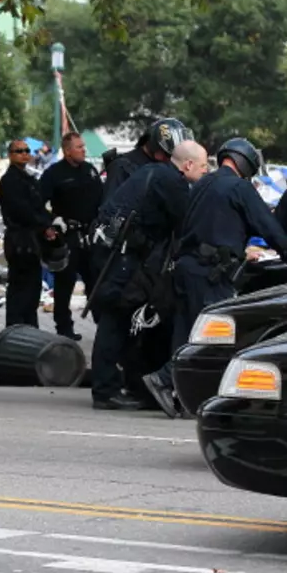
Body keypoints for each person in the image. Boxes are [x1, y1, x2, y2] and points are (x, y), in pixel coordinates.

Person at [142, 138, 287, 418]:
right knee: (217, 337)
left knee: (186, 333)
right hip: (212, 274)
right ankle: (165, 380)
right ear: (245, 163)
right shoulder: (239, 187)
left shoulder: (202, 183)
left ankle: (179, 392)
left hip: (186, 268)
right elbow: (268, 226)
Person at [86, 133, 205, 411]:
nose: (205, 171)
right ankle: (105, 391)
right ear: (187, 165)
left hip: (119, 256)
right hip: (126, 259)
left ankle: (126, 385)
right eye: (202, 167)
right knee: (116, 321)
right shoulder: (172, 183)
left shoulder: (154, 172)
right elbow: (187, 224)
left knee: (123, 321)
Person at [39, 132, 103, 340]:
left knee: (96, 284)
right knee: (64, 286)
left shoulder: (90, 171)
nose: (83, 150)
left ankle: (103, 328)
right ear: (67, 151)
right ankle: (64, 328)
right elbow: (38, 203)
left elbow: (102, 200)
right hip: (68, 236)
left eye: (83, 146)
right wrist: (51, 221)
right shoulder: (54, 174)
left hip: (90, 236)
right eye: (78, 147)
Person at [0, 139, 55, 327]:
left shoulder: (29, 179)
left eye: (26, 150)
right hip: (20, 241)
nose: (24, 154)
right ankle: (16, 330)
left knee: (32, 290)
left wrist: (50, 223)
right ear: (10, 155)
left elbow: (38, 207)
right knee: (20, 290)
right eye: (19, 151)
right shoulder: (10, 181)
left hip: (32, 240)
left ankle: (29, 330)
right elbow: (22, 211)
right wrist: (44, 224)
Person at [101, 118, 193, 202]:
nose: (169, 159)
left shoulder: (169, 165)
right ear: (154, 146)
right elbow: (110, 206)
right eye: (167, 154)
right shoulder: (123, 166)